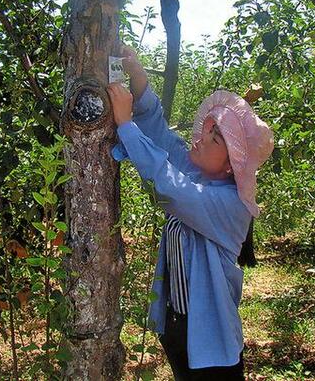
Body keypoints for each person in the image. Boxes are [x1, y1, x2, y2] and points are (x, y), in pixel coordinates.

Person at [107, 45, 274, 380]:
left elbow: (171, 188)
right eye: (206, 130)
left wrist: (125, 124)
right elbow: (163, 139)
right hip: (177, 327)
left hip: (208, 338)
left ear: (232, 164)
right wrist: (138, 78)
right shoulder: (198, 175)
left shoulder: (229, 204)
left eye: (213, 139)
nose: (199, 139)